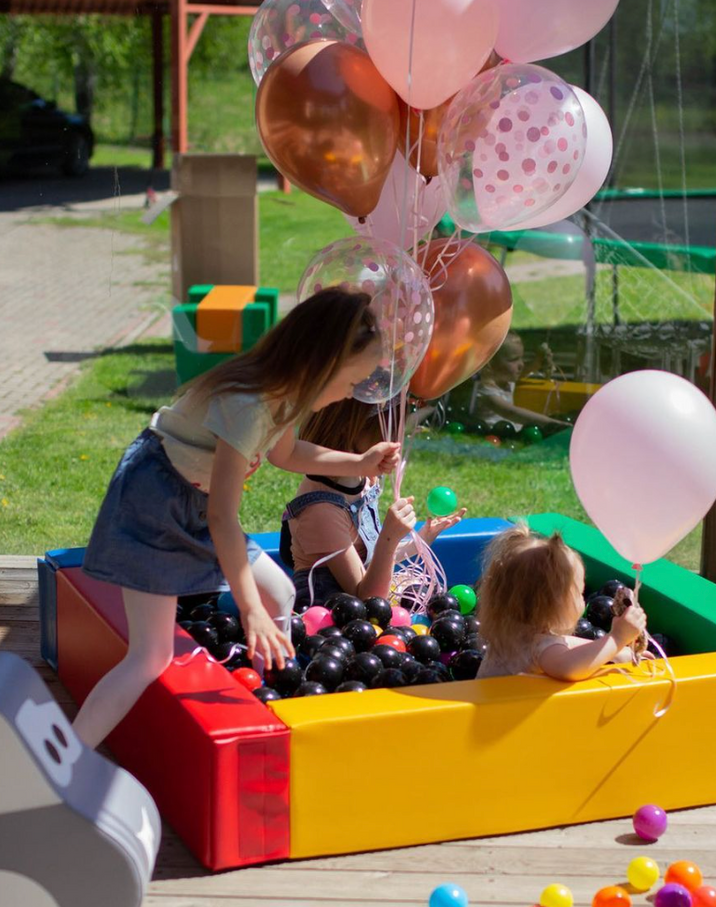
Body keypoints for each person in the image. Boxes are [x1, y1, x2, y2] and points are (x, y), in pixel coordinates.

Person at [73, 289, 400, 749]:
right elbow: (224, 519)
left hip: (197, 499)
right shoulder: (250, 403)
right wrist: (249, 612)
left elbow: (285, 453)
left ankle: (274, 703)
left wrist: (360, 463)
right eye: (351, 383)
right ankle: (68, 756)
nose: (351, 394)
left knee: (281, 592)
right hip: (156, 500)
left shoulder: (286, 392)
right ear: (323, 364)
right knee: (150, 655)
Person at [282, 396, 466, 609]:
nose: (397, 442)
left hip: (363, 603)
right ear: (350, 429)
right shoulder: (322, 512)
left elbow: (370, 561)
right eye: (388, 432)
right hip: (328, 614)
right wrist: (389, 537)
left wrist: (423, 537)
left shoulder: (364, 479)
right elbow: (368, 598)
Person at [476, 524, 648, 682]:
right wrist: (617, 638)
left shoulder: (508, 629)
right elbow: (570, 668)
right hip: (504, 713)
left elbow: (565, 643)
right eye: (580, 593)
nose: (584, 599)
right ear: (555, 605)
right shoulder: (543, 650)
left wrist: (616, 653)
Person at [473, 331, 564, 433]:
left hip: (510, 431)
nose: (521, 364)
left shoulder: (506, 380)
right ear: (489, 363)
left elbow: (522, 373)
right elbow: (510, 412)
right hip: (492, 436)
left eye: (521, 358)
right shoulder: (485, 391)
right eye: (514, 360)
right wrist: (554, 424)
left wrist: (537, 361)